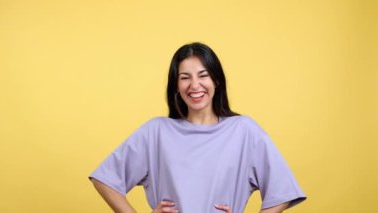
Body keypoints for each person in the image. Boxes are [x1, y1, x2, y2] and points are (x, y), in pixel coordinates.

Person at [89, 42, 307, 213]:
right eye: (185, 78)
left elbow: (283, 191)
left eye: (203, 75)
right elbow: (105, 179)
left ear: (216, 80)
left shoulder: (244, 131)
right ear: (176, 86)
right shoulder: (156, 132)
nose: (195, 85)